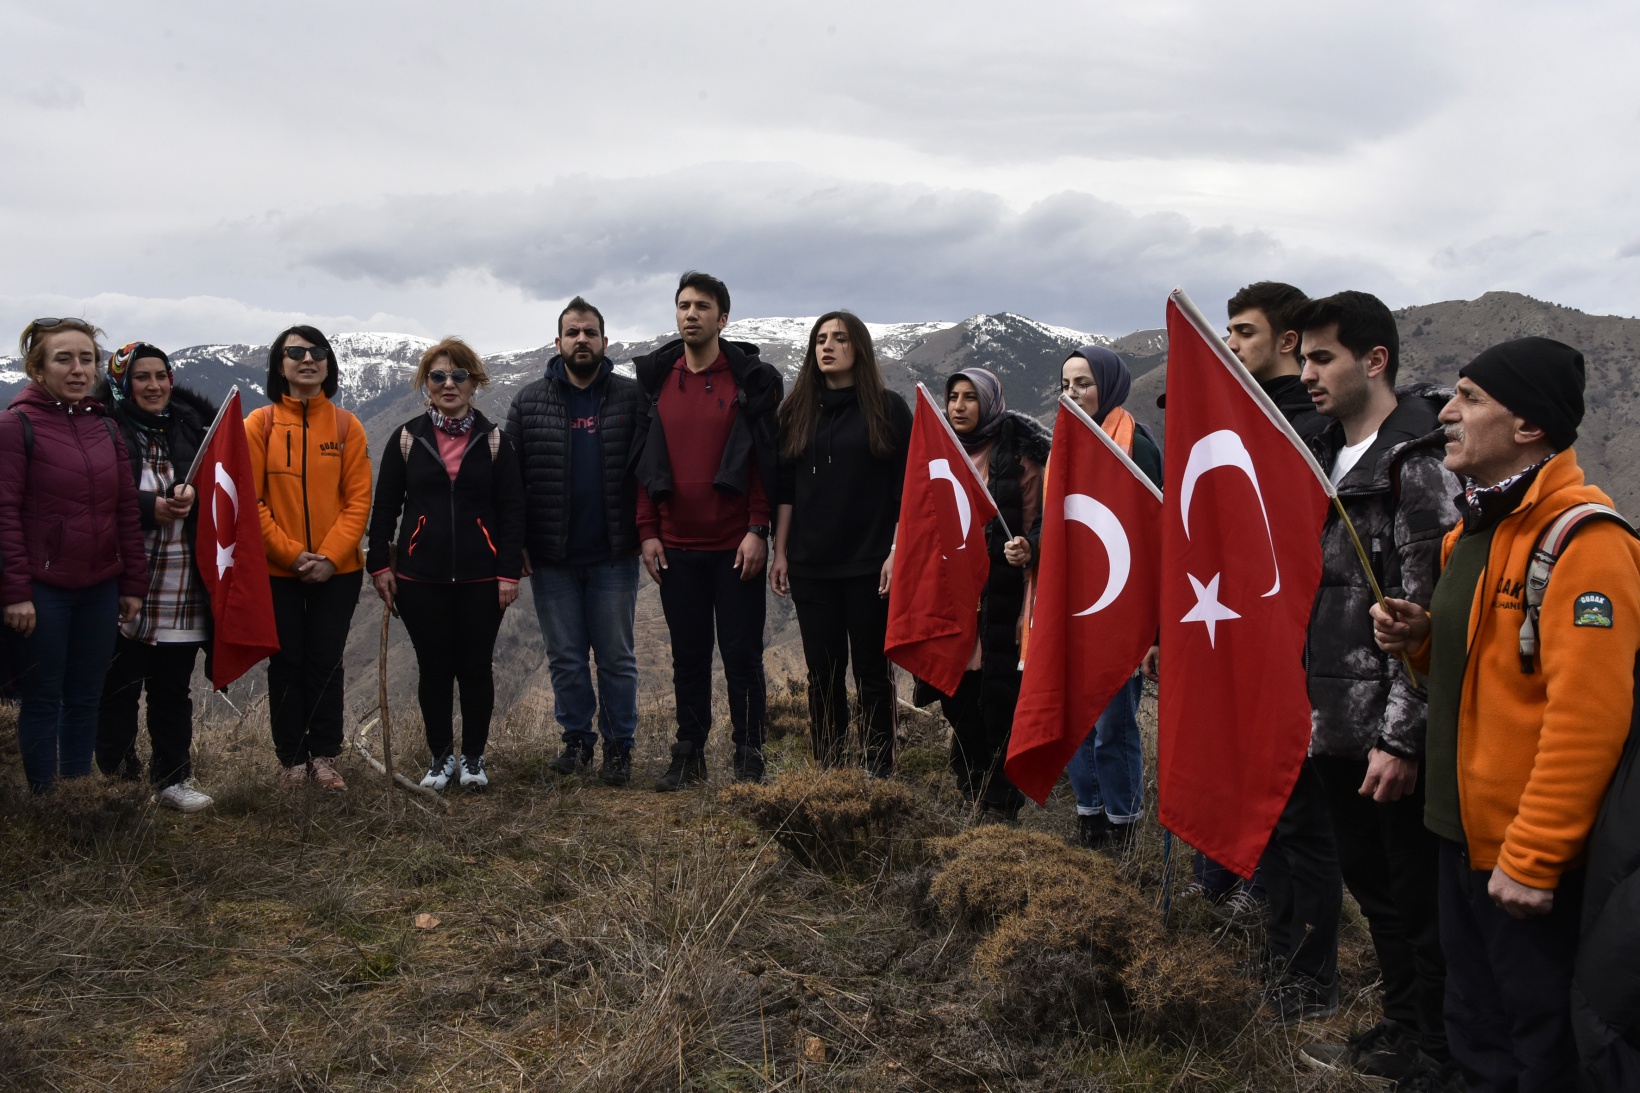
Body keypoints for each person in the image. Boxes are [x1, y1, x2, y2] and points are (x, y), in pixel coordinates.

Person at [1373, 338, 1640, 1093]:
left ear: (1528, 425)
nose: (1446, 414)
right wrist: (1424, 643)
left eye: (1470, 398)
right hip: (1461, 840)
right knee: (1476, 1031)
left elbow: (1589, 719)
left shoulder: (1585, 543)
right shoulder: (1472, 533)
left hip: (1525, 860)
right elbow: (1488, 675)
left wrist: (1535, 855)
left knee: (1540, 1049)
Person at [1289, 294, 1460, 1086]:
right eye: (1303, 357)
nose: (1307, 373)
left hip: (1386, 733)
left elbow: (1426, 610)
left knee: (1417, 899)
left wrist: (1401, 736)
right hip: (1330, 719)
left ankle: (1439, 1051)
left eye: (1322, 357)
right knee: (1375, 891)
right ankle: (1402, 1025)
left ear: (1375, 359)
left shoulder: (1414, 462)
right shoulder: (1315, 453)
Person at [635, 271, 783, 791]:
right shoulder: (657, 382)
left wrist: (758, 528)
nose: (690, 314)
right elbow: (643, 463)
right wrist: (647, 531)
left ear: (722, 318)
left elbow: (763, 461)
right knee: (689, 657)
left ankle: (749, 753)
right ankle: (688, 753)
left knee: (742, 656)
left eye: (701, 306)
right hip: (676, 546)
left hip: (734, 547)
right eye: (683, 305)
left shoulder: (746, 381)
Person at [369, 337, 524, 791]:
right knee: (434, 669)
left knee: (475, 668)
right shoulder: (406, 438)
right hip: (420, 578)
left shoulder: (494, 440)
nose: (449, 384)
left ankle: (473, 758)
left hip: (482, 578)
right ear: (426, 383)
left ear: (474, 383)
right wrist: (379, 565)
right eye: (438, 376)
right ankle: (440, 759)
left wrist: (508, 572)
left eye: (459, 375)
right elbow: (386, 507)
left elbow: (513, 510)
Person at [0, 319, 146, 793]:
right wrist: (15, 592)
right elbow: (4, 513)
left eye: (87, 359)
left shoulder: (104, 426)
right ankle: (46, 801)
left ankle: (76, 795)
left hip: (100, 586)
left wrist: (132, 584)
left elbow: (125, 510)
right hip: (43, 589)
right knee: (43, 696)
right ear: (38, 369)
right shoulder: (14, 426)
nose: (78, 369)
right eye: (63, 359)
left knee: (86, 695)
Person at [503, 298, 645, 786]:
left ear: (605, 341)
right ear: (558, 341)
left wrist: (646, 533)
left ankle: (619, 747)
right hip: (551, 557)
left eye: (589, 332)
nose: (581, 339)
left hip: (614, 554)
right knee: (565, 657)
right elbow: (511, 482)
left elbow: (650, 472)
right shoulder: (528, 402)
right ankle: (577, 741)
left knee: (616, 658)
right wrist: (517, 543)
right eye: (572, 332)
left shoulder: (632, 398)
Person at [769, 312, 911, 775]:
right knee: (823, 674)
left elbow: (906, 489)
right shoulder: (795, 412)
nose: (827, 346)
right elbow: (785, 491)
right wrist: (780, 552)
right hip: (811, 564)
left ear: (859, 348)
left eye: (840, 338)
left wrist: (896, 552)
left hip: (870, 562)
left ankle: (879, 767)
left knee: (872, 671)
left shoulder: (888, 409)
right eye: (820, 339)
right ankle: (830, 770)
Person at [94, 343, 218, 812]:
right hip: (124, 575)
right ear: (122, 384)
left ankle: (173, 777)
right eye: (141, 377)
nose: (153, 386)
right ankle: (118, 780)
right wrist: (151, 507)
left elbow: (220, 489)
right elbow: (96, 493)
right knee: (119, 685)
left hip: (181, 577)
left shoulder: (192, 427)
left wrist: (193, 496)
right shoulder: (104, 428)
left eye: (160, 376)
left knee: (172, 687)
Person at [246, 325, 371, 791]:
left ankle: (324, 756)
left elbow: (357, 501)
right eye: (294, 352)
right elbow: (251, 500)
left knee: (325, 662)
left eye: (316, 351)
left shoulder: (346, 426)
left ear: (327, 364)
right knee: (286, 662)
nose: (307, 359)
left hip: (338, 571)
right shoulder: (259, 424)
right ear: (280, 366)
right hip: (277, 569)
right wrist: (293, 554)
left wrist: (331, 557)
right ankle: (292, 761)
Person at [924, 368, 1047, 821]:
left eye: (970, 397)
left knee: (998, 700)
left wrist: (1028, 547)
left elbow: (1039, 524)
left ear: (990, 403)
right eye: (953, 396)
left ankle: (1000, 804)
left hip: (1001, 598)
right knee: (956, 696)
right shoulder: (938, 454)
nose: (958, 406)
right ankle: (972, 788)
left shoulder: (1021, 459)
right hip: (951, 596)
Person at [1057, 346, 1160, 853]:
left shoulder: (1137, 446)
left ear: (1110, 386)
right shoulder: (1066, 445)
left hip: (1121, 609)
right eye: (1066, 385)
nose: (1073, 394)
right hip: (1073, 607)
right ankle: (1090, 815)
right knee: (1075, 719)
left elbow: (1155, 537)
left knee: (1112, 725)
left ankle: (1124, 824)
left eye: (1083, 383)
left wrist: (1154, 631)